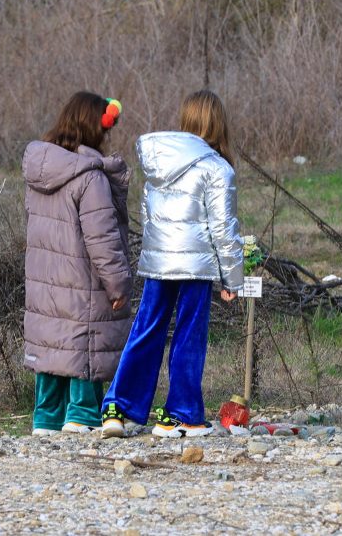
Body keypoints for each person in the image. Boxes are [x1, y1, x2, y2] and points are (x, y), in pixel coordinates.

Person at [101, 90, 244, 438]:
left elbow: (147, 216)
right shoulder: (217, 169)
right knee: (189, 335)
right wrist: (232, 280)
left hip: (157, 260)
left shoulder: (158, 163)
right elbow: (224, 228)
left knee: (146, 328)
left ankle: (120, 409)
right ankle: (180, 415)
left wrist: (155, 255)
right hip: (196, 264)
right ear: (217, 123)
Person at [23, 92, 132, 435]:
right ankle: (82, 414)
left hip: (44, 281)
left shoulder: (40, 171)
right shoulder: (90, 177)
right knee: (84, 341)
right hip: (84, 280)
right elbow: (102, 239)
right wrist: (117, 283)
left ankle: (47, 418)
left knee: (52, 342)